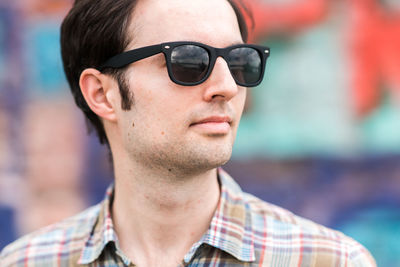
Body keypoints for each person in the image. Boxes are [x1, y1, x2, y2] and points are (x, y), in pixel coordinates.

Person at [0, 0, 376, 266]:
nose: (227, 86)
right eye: (189, 60)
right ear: (102, 94)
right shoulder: (29, 262)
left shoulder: (328, 261)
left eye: (239, 62)